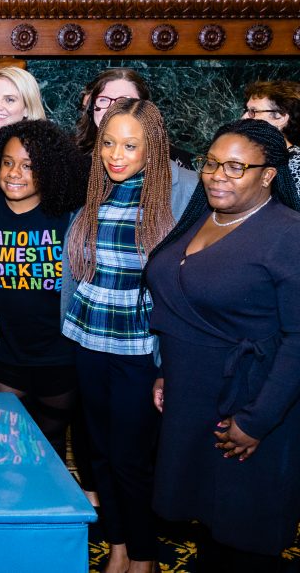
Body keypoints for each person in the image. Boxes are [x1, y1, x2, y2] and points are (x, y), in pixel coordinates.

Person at [147, 119, 300, 572]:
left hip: (250, 406)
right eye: (211, 163)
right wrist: (166, 371)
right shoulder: (201, 218)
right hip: (192, 401)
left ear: (268, 174)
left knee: (242, 538)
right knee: (207, 531)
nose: (217, 175)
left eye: (236, 167)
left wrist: (257, 422)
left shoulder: (288, 233)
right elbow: (186, 305)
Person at [61, 98, 197, 573]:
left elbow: (182, 292)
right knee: (98, 453)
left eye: (130, 145)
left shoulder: (176, 200)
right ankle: (116, 546)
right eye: (109, 143)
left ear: (151, 149)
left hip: (140, 350)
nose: (116, 155)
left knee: (131, 459)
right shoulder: (96, 193)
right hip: (88, 340)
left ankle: (143, 554)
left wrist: (170, 365)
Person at [0, 120, 87, 459]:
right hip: (5, 356)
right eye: (8, 162)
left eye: (28, 165)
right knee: (3, 450)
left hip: (60, 357)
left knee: (48, 453)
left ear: (48, 170)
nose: (14, 173)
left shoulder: (68, 217)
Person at [75, 68, 194, 170]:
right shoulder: (70, 158)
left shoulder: (179, 164)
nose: (113, 109)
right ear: (90, 107)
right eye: (104, 100)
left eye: (125, 101)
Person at [241, 79, 300, 199]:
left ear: (280, 118)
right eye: (246, 110)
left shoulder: (296, 163)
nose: (243, 117)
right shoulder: (257, 156)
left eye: (253, 111)